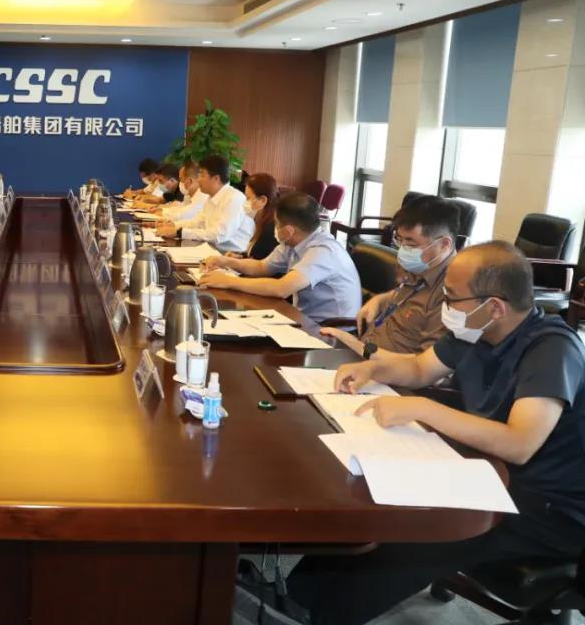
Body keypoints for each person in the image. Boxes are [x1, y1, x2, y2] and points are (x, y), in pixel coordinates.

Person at [282, 241, 585, 625]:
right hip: (486, 473)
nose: (445, 306)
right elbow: (420, 369)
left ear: (494, 307)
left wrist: (425, 409)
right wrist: (374, 369)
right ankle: (294, 597)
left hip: (546, 507)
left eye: (452, 298)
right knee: (373, 503)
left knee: (415, 534)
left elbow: (519, 443)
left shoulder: (551, 349)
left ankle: (324, 616)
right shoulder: (475, 330)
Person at [322, 195, 458, 358]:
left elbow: (425, 364)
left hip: (386, 369)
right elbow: (409, 296)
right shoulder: (422, 266)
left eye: (411, 244)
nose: (403, 249)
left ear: (444, 244)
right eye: (399, 240)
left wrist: (357, 346)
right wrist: (379, 300)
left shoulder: (454, 292)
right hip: (364, 354)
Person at [199, 191, 361, 322]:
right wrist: (225, 261)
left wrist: (228, 281)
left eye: (277, 223)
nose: (275, 228)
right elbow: (262, 267)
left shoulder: (323, 251)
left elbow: (281, 288)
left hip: (330, 331)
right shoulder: (293, 242)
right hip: (304, 319)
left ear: (289, 230)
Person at [156, 155, 253, 252]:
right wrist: (173, 226)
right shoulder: (211, 197)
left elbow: (219, 235)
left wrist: (179, 232)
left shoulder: (234, 198)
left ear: (216, 178)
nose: (198, 180)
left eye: (202, 175)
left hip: (229, 256)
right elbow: (198, 222)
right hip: (210, 250)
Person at [238, 173, 279, 261]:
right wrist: (238, 256)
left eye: (248, 198)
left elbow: (258, 260)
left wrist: (234, 261)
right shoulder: (258, 220)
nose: (245, 202)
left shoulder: (271, 229)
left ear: (263, 200)